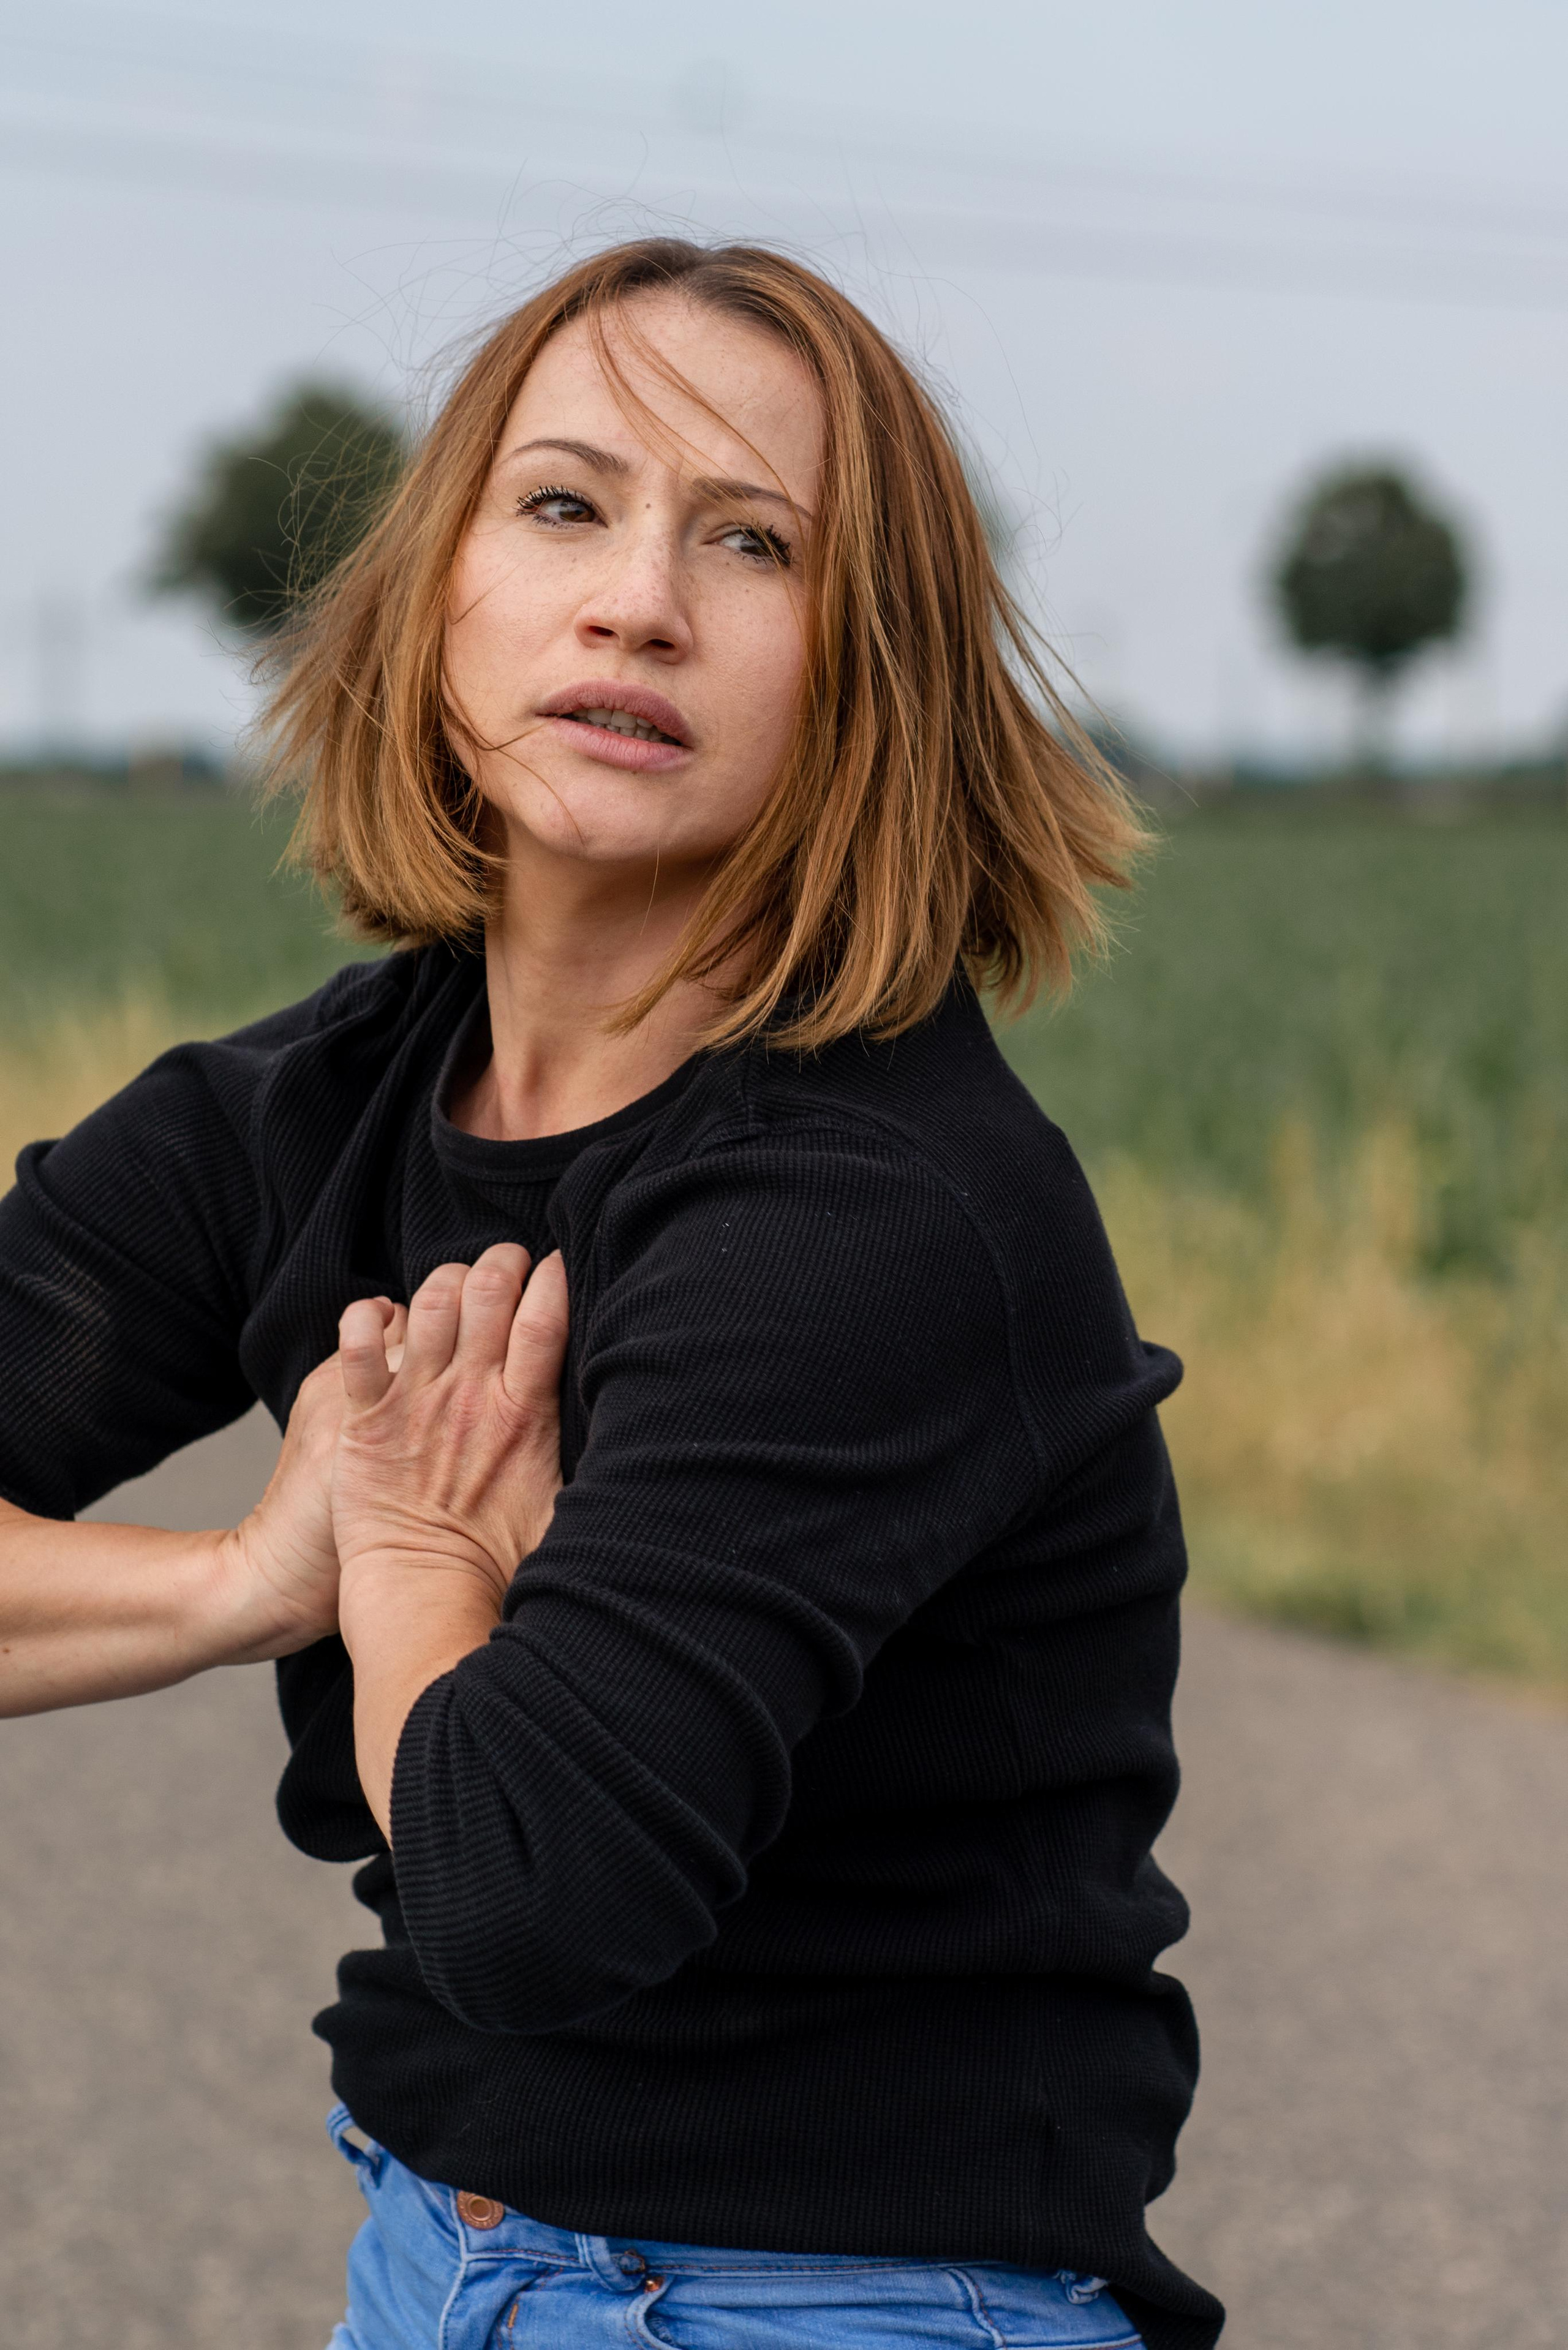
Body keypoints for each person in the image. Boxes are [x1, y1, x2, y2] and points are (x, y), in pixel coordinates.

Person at [0, 239, 1223, 2350]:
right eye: (566, 502)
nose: (639, 598)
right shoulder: (320, 1108)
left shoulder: (876, 1210)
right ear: (439, 592)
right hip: (438, 2254)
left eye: (753, 541)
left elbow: (525, 1894)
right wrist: (242, 1583)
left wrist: (405, 1563)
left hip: (850, 2307)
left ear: (873, 669)